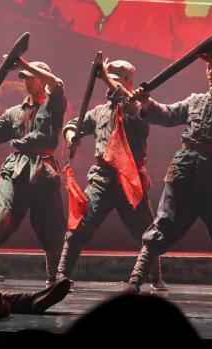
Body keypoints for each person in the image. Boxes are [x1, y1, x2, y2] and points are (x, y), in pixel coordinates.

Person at [122, 47, 212, 295]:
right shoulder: (194, 100)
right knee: (162, 224)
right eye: (208, 67)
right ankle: (135, 280)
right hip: (184, 169)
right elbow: (166, 114)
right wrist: (146, 101)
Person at [57, 59, 165, 289]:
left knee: (146, 231)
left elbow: (127, 103)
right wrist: (71, 136)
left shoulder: (137, 108)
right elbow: (73, 125)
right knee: (80, 226)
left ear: (128, 81)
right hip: (102, 178)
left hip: (130, 178)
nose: (109, 86)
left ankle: (155, 277)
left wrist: (105, 77)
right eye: (108, 81)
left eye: (115, 81)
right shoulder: (99, 112)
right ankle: (61, 277)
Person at [0, 61, 68, 284]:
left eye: (32, 77)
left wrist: (22, 62)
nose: (27, 81)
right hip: (15, 169)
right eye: (25, 77)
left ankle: (56, 278)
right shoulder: (13, 112)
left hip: (44, 170)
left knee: (52, 225)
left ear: (43, 79)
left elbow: (57, 84)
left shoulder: (53, 105)